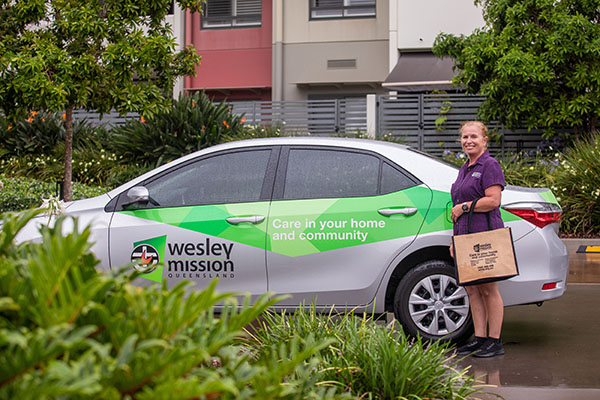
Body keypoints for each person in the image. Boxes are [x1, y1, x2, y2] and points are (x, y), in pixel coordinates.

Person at [449, 121, 506, 358]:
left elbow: (493, 200)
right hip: (465, 236)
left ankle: (495, 341)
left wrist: (464, 206)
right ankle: (480, 338)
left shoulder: (490, 165)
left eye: (473, 136)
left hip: (485, 235)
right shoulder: (465, 167)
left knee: (489, 288)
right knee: (472, 289)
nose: (468, 141)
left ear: (484, 140)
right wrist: (454, 241)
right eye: (464, 137)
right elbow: (456, 211)